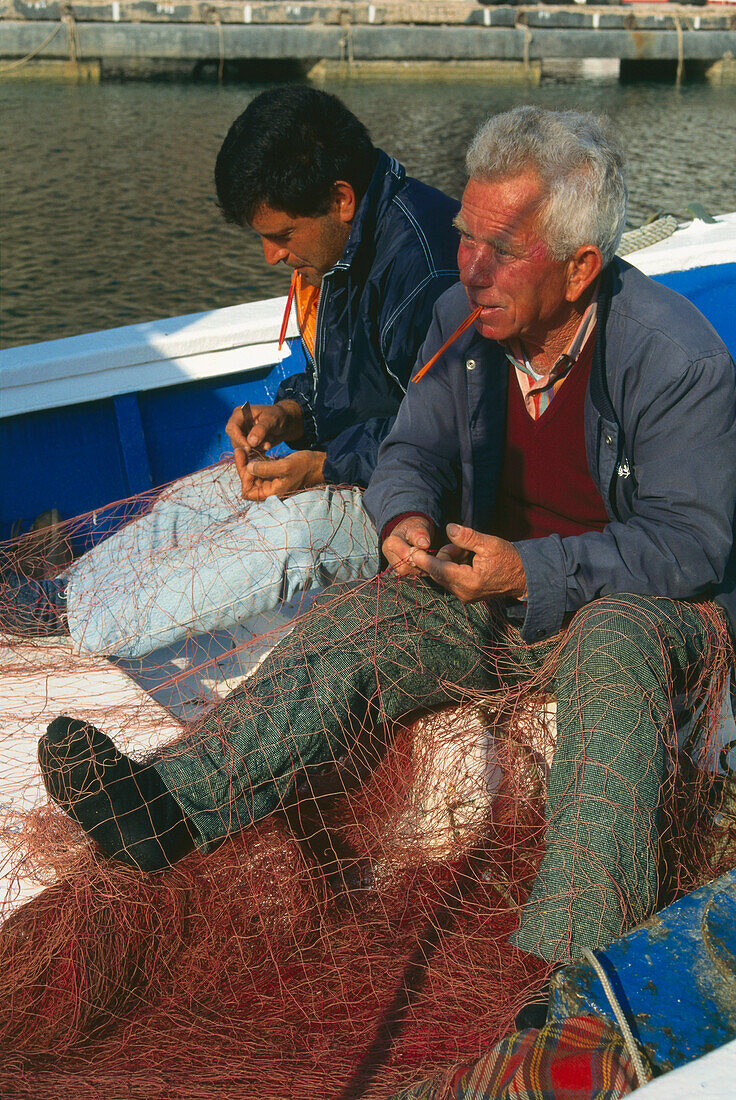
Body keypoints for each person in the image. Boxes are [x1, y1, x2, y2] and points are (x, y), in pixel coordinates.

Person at [38, 107, 736, 970]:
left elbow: (693, 545)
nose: (470, 268)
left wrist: (531, 567)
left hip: (629, 605)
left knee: (616, 643)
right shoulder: (460, 318)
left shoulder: (675, 358)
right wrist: (402, 517)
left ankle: (577, 966)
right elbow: (409, 448)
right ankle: (169, 806)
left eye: (500, 251)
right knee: (366, 623)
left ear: (582, 266)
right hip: (501, 597)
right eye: (466, 238)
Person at [3, 86, 459, 659]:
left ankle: (84, 633)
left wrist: (325, 466)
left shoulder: (430, 272)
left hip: (414, 505)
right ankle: (65, 593)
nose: (271, 256)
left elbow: (444, 441)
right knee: (211, 491)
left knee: (288, 538)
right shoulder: (344, 241)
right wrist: (289, 414)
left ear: (340, 199)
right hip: (355, 459)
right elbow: (348, 389)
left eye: (280, 236)